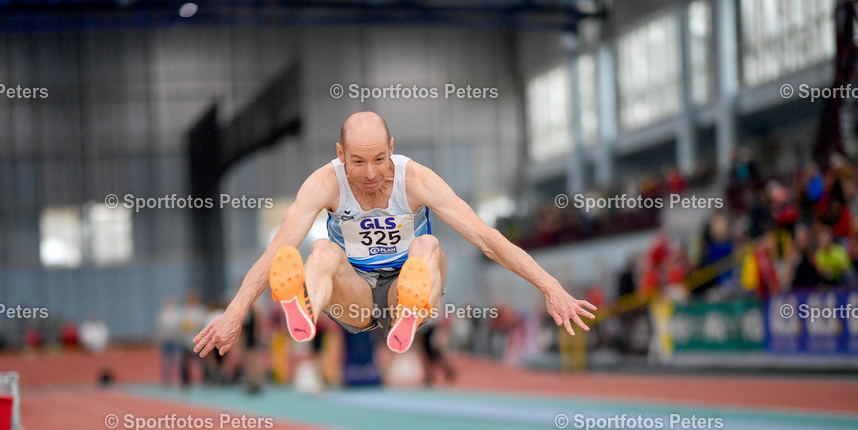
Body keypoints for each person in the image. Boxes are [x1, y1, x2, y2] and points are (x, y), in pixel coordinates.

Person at [193, 111, 595, 359]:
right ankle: (305, 312)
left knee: (429, 245)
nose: (370, 174)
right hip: (356, 300)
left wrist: (551, 286)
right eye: (358, 162)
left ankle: (409, 312)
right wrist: (235, 312)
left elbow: (487, 239)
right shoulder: (323, 184)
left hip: (407, 288)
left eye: (380, 160)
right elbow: (275, 252)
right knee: (320, 250)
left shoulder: (415, 179)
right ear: (339, 155)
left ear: (392, 148)